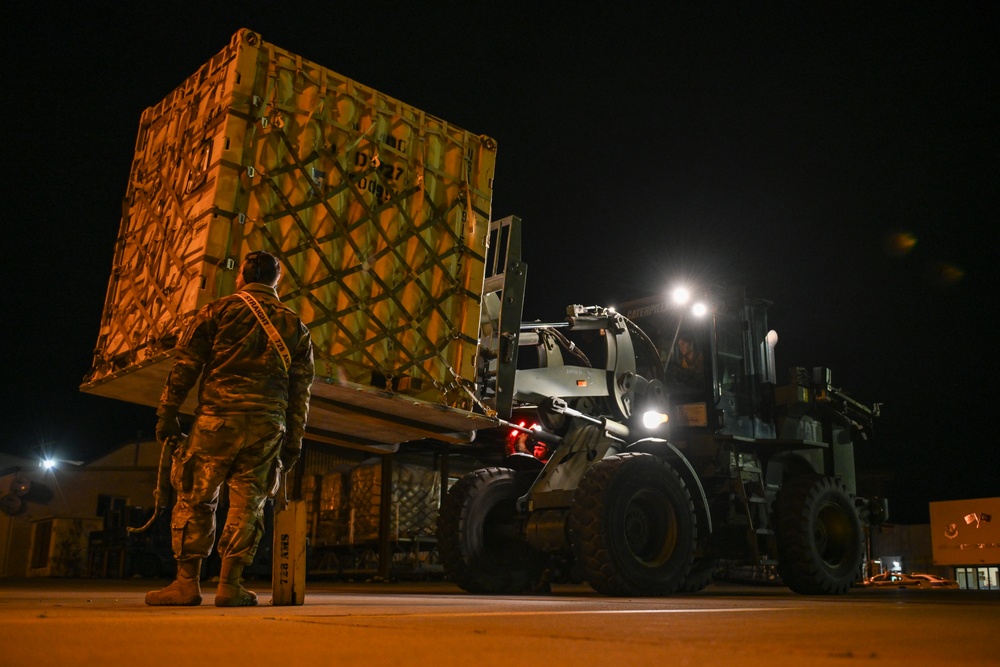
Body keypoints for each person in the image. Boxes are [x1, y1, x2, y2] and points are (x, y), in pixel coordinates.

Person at [145, 251, 314, 607]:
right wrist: (293, 443)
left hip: (217, 421)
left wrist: (167, 412)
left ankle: (186, 584)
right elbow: (301, 393)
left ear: (241, 277)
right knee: (247, 504)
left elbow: (186, 365)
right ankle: (230, 585)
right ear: (276, 281)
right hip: (267, 427)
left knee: (196, 498)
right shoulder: (296, 326)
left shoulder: (217, 311)